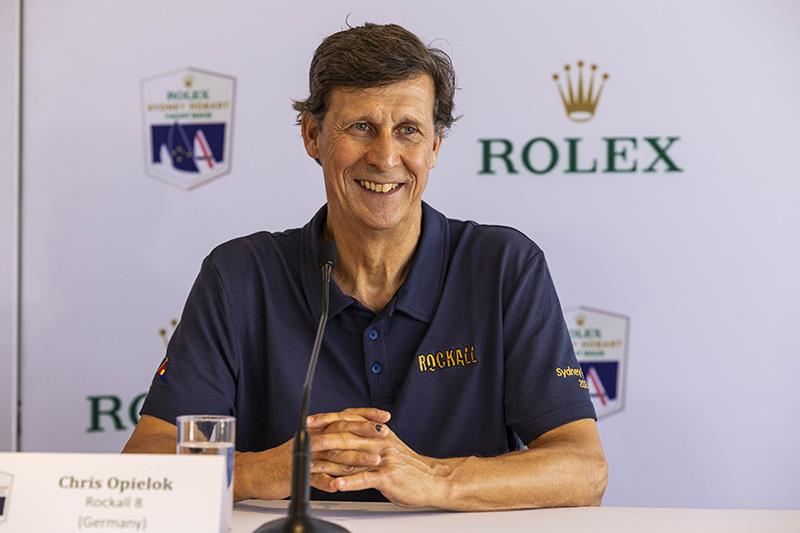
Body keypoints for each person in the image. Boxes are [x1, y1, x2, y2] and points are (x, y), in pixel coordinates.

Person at [123, 23, 608, 511]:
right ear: (312, 135)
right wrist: (265, 468)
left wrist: (435, 479)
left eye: (408, 131)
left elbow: (584, 471)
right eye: (360, 127)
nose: (385, 156)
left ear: (435, 146)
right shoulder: (239, 277)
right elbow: (145, 464)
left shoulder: (503, 267)